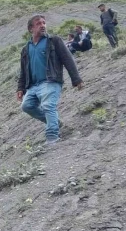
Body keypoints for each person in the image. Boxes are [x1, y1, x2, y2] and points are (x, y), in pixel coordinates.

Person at [17, 15, 84, 145]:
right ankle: (56, 123)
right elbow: (23, 71)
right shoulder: (26, 48)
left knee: (48, 105)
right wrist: (20, 88)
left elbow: (67, 59)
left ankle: (52, 137)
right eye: (38, 23)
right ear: (31, 28)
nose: (42, 25)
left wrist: (76, 79)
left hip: (50, 81)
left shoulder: (54, 41)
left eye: (44, 23)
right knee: (26, 106)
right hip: (33, 85)